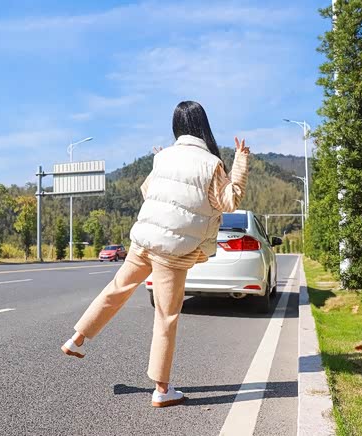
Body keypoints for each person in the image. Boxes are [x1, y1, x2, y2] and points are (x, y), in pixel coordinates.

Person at [61, 100, 250, 407]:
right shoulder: (211, 163)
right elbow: (229, 201)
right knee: (166, 316)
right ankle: (162, 390)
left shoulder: (163, 157)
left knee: (116, 290)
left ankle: (76, 339)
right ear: (203, 126)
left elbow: (147, 192)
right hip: (173, 251)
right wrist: (240, 161)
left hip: (144, 240)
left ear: (176, 126)